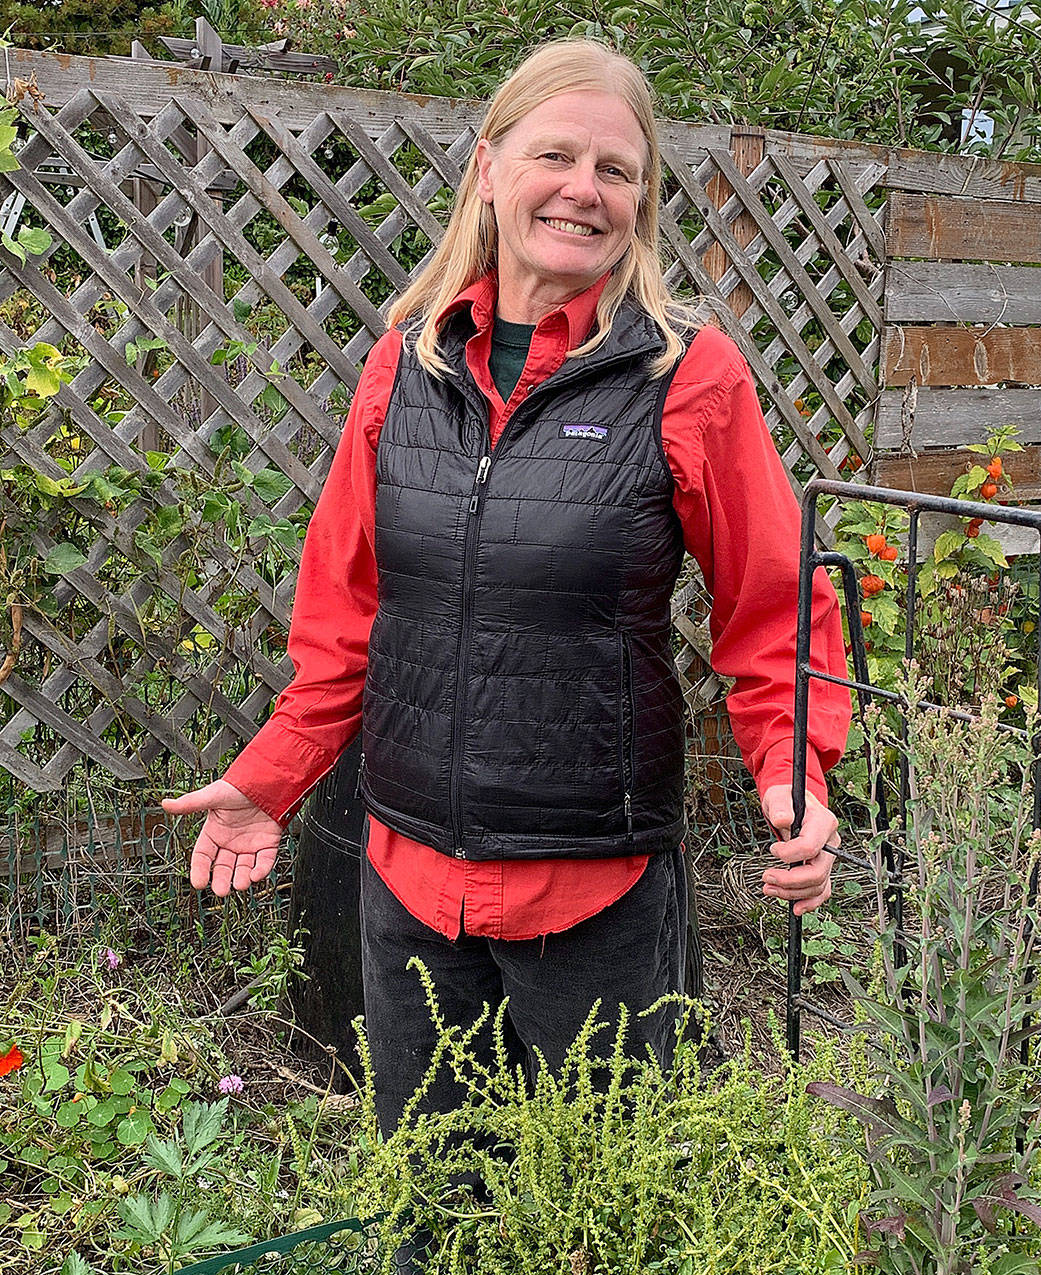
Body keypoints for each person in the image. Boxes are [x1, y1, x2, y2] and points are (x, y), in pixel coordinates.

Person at [163, 36, 850, 1173]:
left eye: (616, 170)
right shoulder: (406, 366)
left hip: (596, 889)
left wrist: (792, 775)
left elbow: (771, 611)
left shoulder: (688, 378)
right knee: (434, 1202)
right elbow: (344, 614)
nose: (584, 189)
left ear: (640, 201)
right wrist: (268, 780)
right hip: (408, 877)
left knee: (610, 1211)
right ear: (489, 167)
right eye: (556, 155)